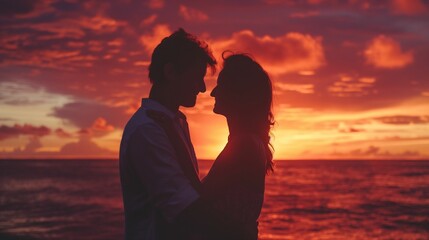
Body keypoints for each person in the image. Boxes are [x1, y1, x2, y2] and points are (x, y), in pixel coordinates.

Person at [118, 28, 217, 240]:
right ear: (171, 72)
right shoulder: (147, 130)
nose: (201, 88)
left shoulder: (174, 123)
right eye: (196, 77)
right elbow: (181, 206)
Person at [200, 53, 275, 240]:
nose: (213, 92)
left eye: (222, 86)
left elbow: (199, 201)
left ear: (238, 93)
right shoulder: (247, 142)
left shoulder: (243, 145)